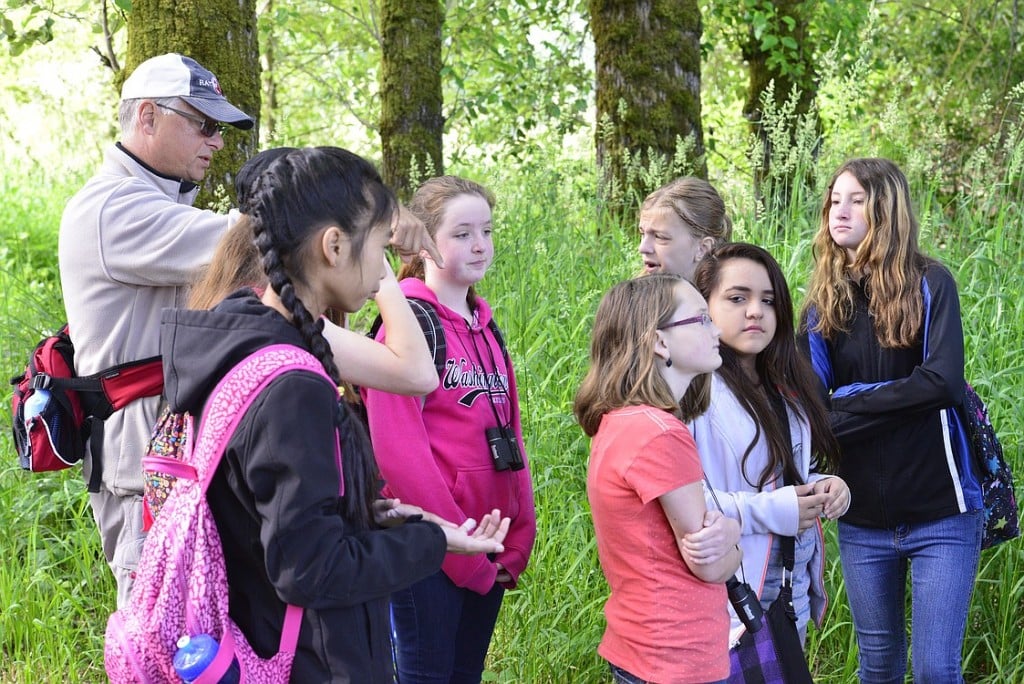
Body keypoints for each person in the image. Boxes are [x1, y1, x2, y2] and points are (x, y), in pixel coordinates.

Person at [159, 146, 510, 682]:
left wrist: (381, 515)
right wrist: (431, 542)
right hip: (310, 659)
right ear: (334, 245)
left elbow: (283, 516)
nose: (384, 269)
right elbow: (310, 569)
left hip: (257, 632)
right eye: (379, 247)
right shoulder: (294, 385)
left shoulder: (242, 335)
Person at [58, 52, 255, 608]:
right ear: (147, 117)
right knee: (155, 634)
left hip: (171, 452)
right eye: (205, 124)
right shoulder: (115, 208)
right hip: (141, 464)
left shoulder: (155, 203)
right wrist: (344, 214)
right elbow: (247, 245)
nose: (217, 141)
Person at [799, 158, 983, 683]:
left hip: (941, 513)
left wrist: (850, 395)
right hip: (861, 520)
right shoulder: (821, 306)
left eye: (856, 200)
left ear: (886, 208)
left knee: (932, 669)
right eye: (835, 200)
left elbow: (943, 384)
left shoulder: (932, 283)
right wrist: (901, 398)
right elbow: (816, 415)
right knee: (877, 666)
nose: (841, 210)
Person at [361, 176, 537, 684]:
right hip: (430, 551)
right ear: (424, 242)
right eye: (462, 233)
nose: (480, 244)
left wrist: (514, 540)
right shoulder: (408, 322)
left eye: (486, 230)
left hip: (489, 545)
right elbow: (399, 453)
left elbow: (512, 437)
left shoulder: (487, 326)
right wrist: (456, 544)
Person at [574, 273, 743, 684]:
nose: (716, 328)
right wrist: (734, 537)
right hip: (677, 657)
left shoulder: (619, 422)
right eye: (701, 320)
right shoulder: (661, 432)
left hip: (641, 647)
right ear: (659, 341)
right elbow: (710, 565)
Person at [688, 242, 848, 650]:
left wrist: (823, 485)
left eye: (768, 300)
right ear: (704, 305)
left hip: (788, 589)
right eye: (737, 298)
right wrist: (778, 510)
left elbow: (781, 474)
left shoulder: (786, 387)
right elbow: (687, 505)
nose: (755, 311)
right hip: (731, 597)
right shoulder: (693, 392)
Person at [638, 177, 733, 281]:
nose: (643, 248)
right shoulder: (629, 295)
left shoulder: (735, 292)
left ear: (702, 248)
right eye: (642, 233)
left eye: (659, 237)